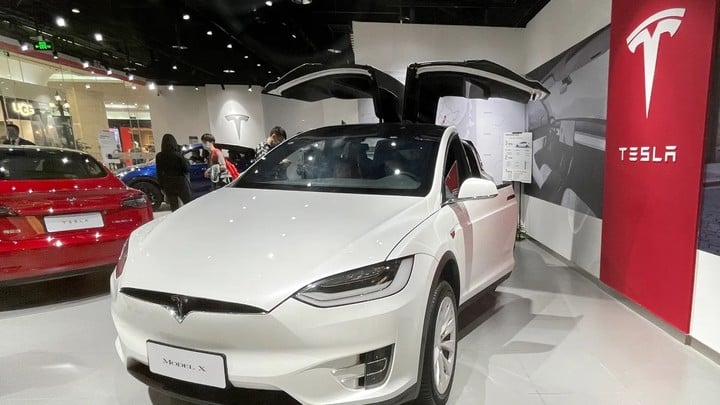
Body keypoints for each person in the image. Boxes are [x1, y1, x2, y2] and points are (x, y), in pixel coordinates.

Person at [156, 134, 193, 212]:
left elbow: (159, 172)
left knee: (174, 206)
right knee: (188, 203)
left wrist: (161, 186)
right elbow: (186, 169)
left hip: (167, 183)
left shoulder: (159, 156)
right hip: (180, 181)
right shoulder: (178, 155)